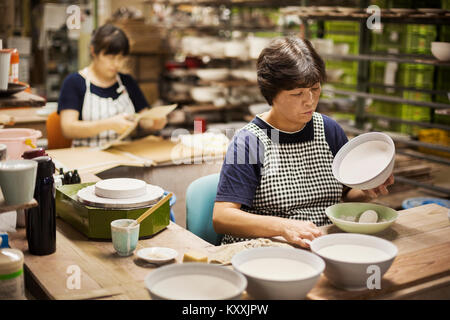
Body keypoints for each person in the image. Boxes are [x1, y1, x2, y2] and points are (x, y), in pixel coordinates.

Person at [213, 37, 394, 248]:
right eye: (297, 93)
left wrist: (367, 189)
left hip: (322, 242)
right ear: (272, 95)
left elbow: (344, 194)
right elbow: (222, 217)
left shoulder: (329, 130)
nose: (310, 101)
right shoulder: (249, 142)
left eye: (315, 89)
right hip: (268, 248)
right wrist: (284, 226)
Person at [58, 24, 167, 147]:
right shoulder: (74, 82)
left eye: (121, 58)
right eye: (110, 57)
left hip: (124, 153)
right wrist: (108, 124)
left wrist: (155, 122)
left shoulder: (127, 81)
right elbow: (68, 129)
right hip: (87, 157)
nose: (116, 64)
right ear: (94, 51)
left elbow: (143, 119)